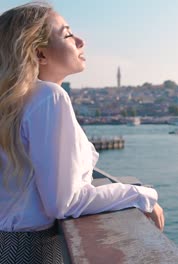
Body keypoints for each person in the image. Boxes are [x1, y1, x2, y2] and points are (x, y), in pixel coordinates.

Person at [0, 3, 164, 263]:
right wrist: (140, 195)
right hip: (31, 252)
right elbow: (65, 203)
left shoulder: (17, 102)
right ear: (40, 53)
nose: (80, 40)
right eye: (67, 34)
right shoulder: (49, 97)